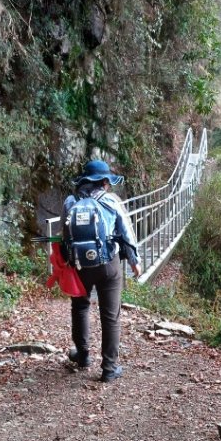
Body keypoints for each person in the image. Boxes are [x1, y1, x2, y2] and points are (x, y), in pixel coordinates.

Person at [62, 159, 142, 383]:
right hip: (109, 265)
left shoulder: (71, 201)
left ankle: (83, 355)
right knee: (111, 315)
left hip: (79, 265)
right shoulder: (111, 200)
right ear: (105, 182)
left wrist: (67, 261)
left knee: (80, 306)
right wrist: (134, 261)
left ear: (84, 181)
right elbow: (126, 231)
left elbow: (65, 235)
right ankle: (109, 368)